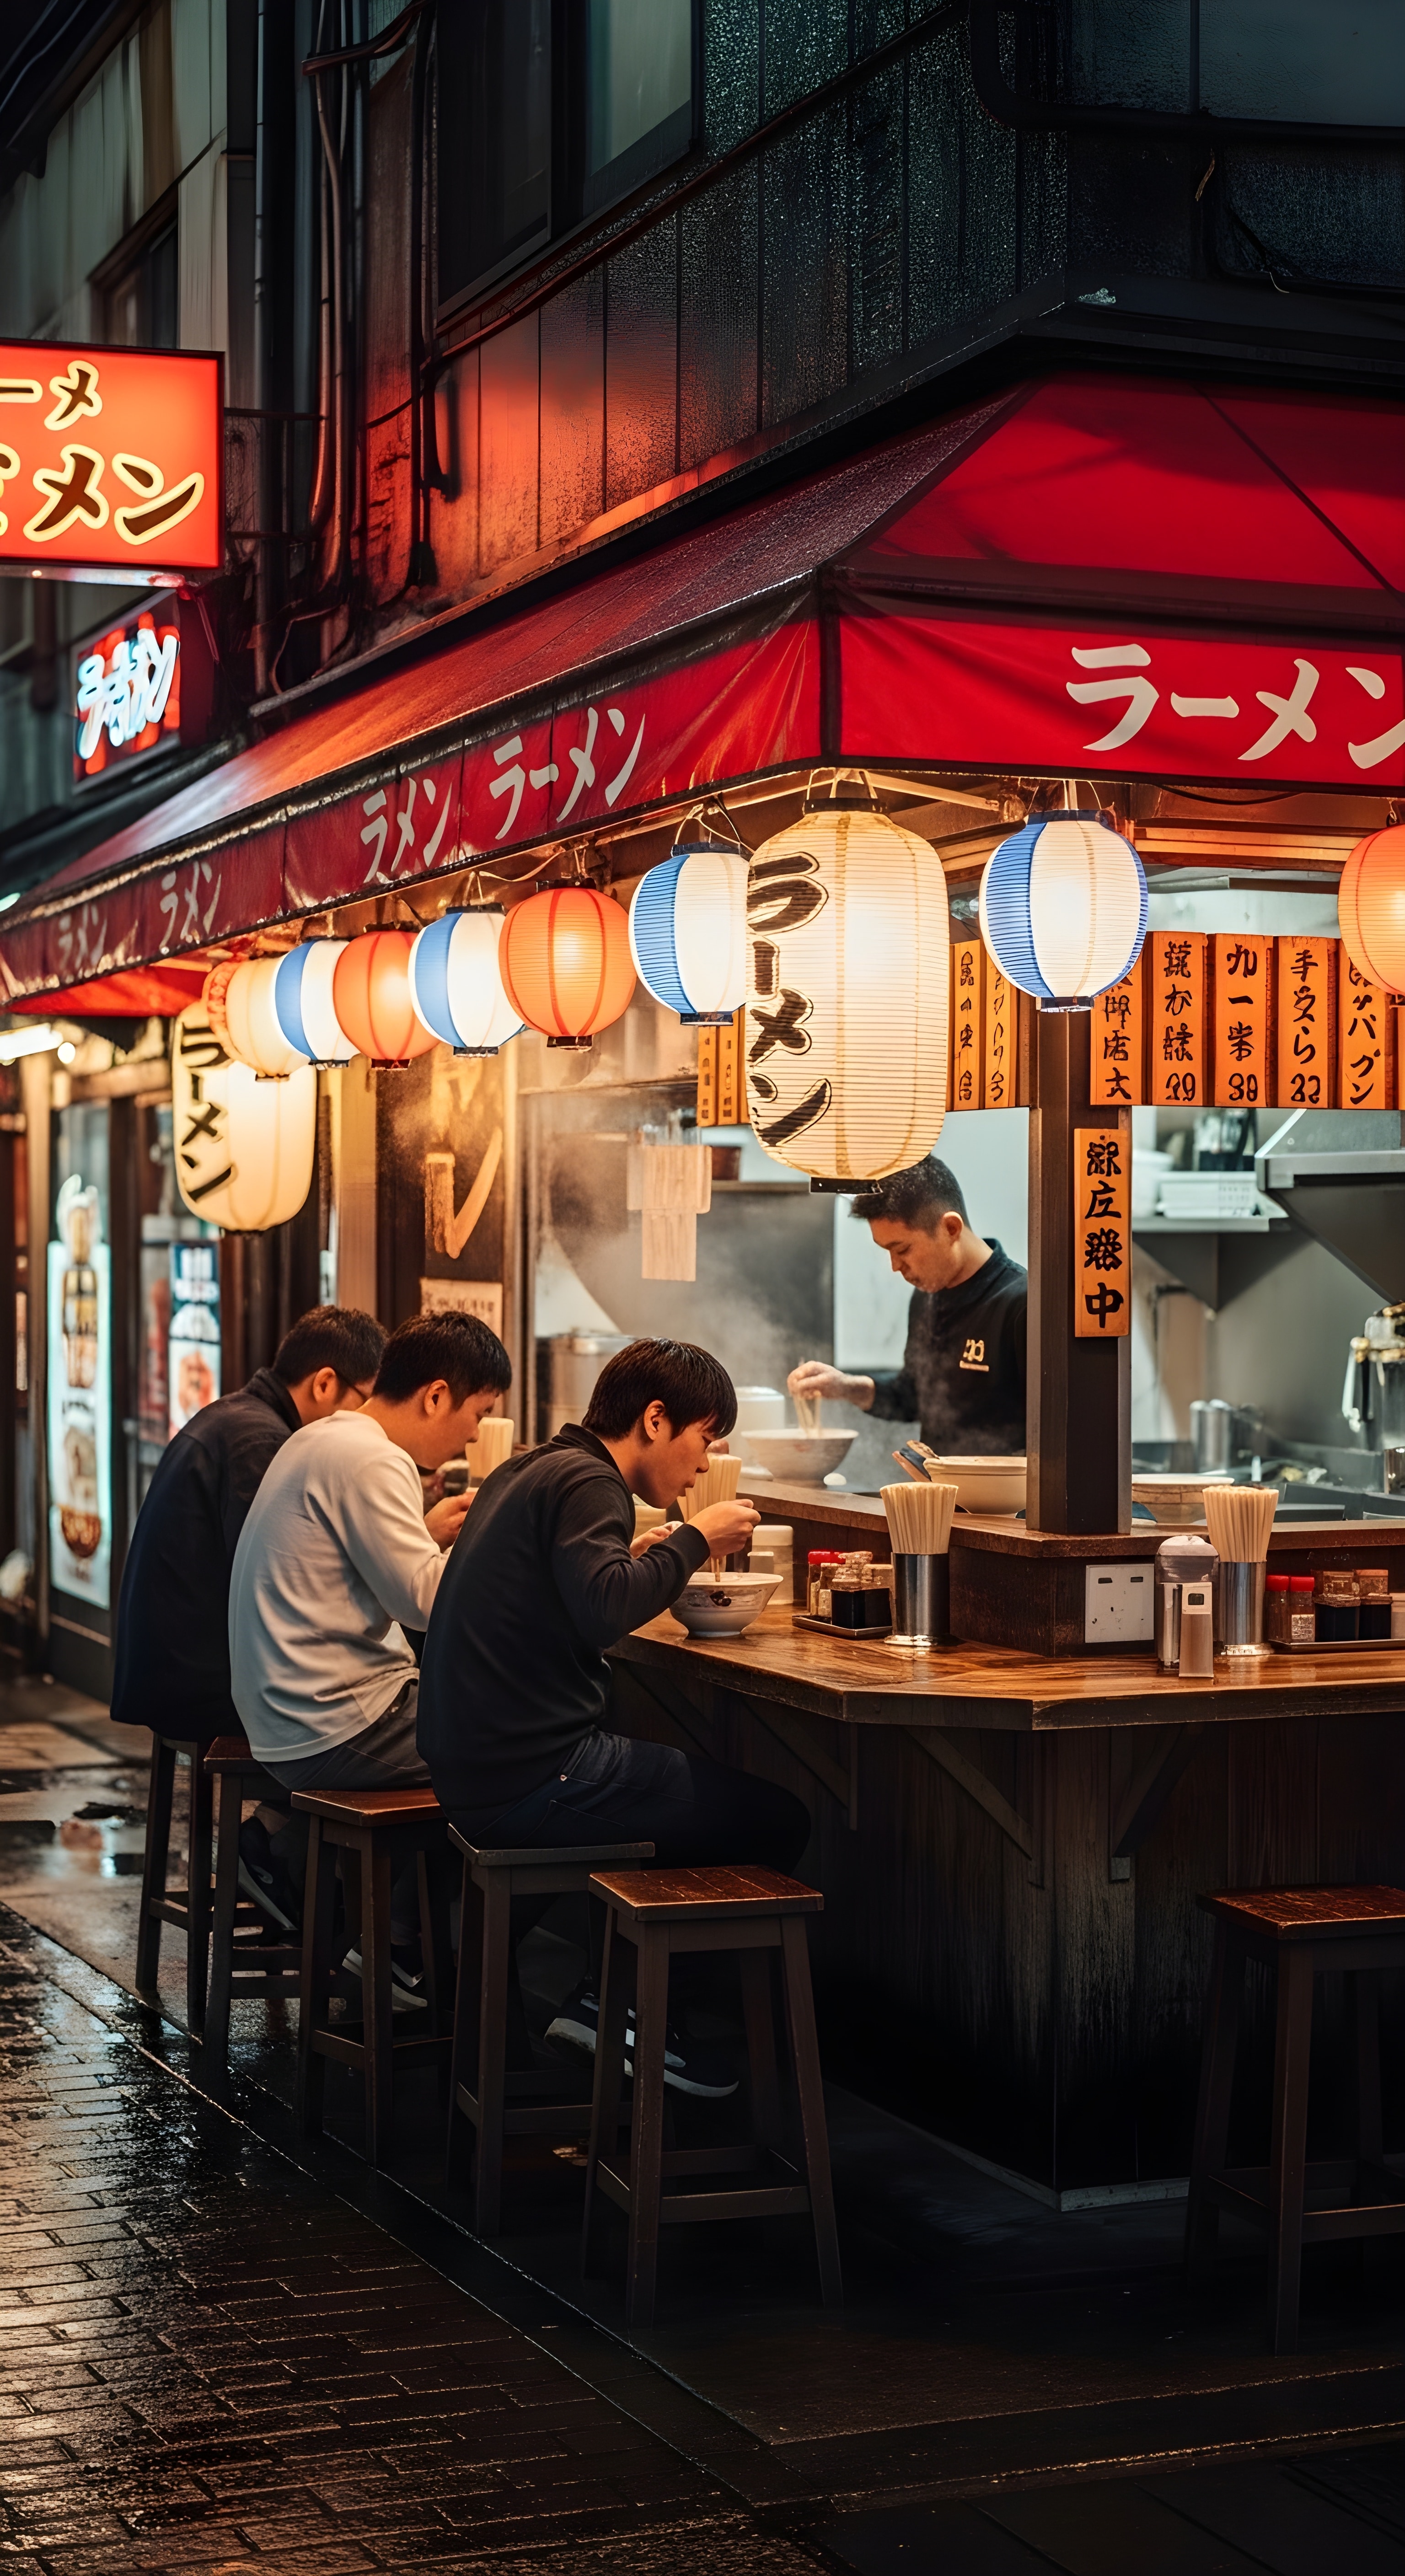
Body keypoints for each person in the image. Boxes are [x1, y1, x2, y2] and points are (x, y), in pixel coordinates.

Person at [417, 1337, 810, 2095]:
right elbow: (603, 1610)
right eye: (705, 1439)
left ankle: (610, 2000)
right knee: (775, 1820)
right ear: (656, 1419)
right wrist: (698, 1538)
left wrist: (642, 1552)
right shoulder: (590, 1481)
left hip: (472, 1767)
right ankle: (624, 2012)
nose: (702, 1465)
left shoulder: (536, 1466)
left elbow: (572, 1583)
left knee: (687, 1797)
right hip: (533, 1774)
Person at [111, 1303, 386, 1927]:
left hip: (173, 1664)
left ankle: (312, 1893)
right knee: (353, 1728)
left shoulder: (239, 1417)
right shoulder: (263, 1439)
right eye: (365, 1401)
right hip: (196, 1678)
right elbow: (277, 1575)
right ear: (324, 1384)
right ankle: (320, 1901)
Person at [789, 1155, 1027, 1458]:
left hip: (1005, 1505)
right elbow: (913, 1396)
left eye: (902, 1249)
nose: (895, 1266)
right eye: (887, 1251)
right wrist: (847, 1387)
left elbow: (1052, 1438)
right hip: (940, 1498)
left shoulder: (1022, 1303)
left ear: (951, 1228)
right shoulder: (926, 1298)